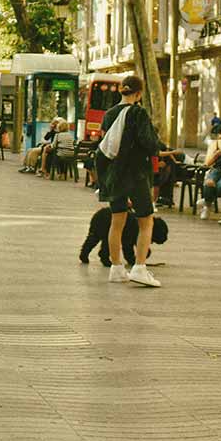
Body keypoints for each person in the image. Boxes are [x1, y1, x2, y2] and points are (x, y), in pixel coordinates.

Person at [95, 75, 161, 287]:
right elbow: (148, 143)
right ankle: (140, 267)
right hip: (136, 174)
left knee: (117, 221)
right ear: (139, 93)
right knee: (145, 220)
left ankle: (116, 268)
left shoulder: (109, 114)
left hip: (115, 174)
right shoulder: (138, 112)